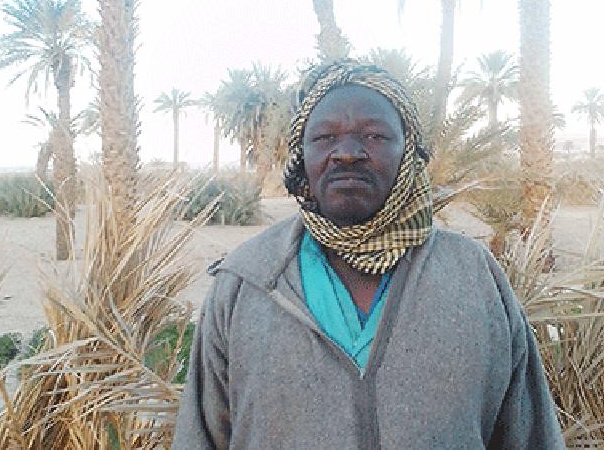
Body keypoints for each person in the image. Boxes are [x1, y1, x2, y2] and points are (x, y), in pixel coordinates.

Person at [171, 60, 565, 449]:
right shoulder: (246, 281)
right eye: (324, 137)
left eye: (374, 135)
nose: (347, 153)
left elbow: (530, 435)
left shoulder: (473, 276)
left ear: (408, 152)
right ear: (301, 156)